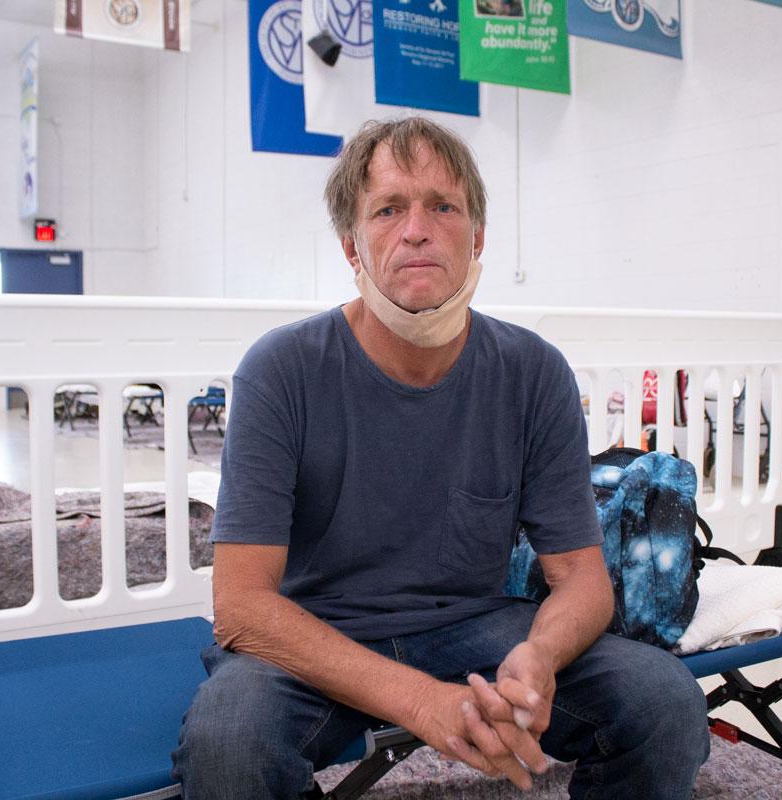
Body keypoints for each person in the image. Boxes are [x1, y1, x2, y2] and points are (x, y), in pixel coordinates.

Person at [171, 118, 708, 799]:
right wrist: (421, 699)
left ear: (477, 235)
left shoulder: (532, 372)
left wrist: (538, 657)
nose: (417, 230)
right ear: (352, 246)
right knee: (227, 748)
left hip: (476, 625)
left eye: (442, 206)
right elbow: (242, 606)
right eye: (388, 209)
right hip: (316, 636)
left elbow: (582, 579)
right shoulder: (282, 370)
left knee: (666, 704)